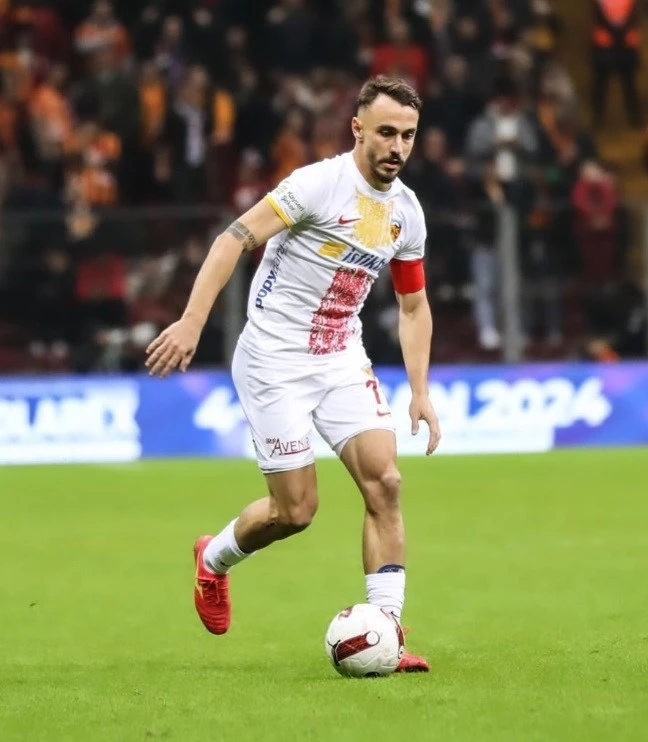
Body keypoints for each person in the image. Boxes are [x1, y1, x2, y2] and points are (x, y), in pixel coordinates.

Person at [145, 76, 441, 672]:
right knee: (296, 512)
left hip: (340, 357)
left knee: (385, 483)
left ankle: (387, 632)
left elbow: (413, 306)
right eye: (386, 132)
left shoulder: (406, 213)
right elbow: (232, 240)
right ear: (357, 129)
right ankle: (214, 559)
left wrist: (420, 391)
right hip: (273, 361)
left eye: (408, 135)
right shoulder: (316, 186)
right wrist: (192, 321)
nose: (397, 147)